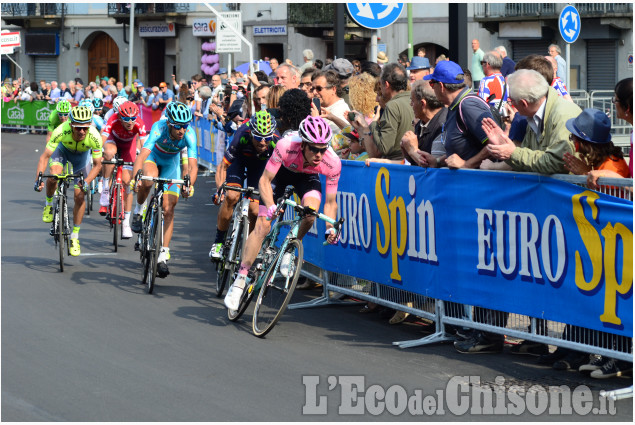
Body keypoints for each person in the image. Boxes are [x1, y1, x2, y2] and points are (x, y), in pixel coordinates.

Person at [224, 116, 341, 310]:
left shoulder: (333, 162)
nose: (319, 154)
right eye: (314, 148)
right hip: (281, 174)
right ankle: (240, 280)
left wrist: (330, 227)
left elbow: (330, 202)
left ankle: (289, 249)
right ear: (303, 144)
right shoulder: (286, 146)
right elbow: (264, 181)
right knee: (262, 225)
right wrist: (270, 205)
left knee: (311, 213)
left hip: (308, 178)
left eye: (323, 148)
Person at [130, 102, 198, 278]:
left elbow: (192, 166)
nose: (182, 130)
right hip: (153, 157)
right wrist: (135, 176)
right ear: (169, 123)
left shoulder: (190, 134)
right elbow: (143, 155)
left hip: (171, 164)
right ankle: (139, 211)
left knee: (169, 209)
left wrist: (189, 185)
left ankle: (163, 254)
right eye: (177, 126)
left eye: (184, 126)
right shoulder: (159, 127)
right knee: (148, 180)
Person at [209, 110, 280, 260]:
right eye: (258, 137)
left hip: (260, 166)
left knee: (255, 210)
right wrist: (219, 189)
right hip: (240, 161)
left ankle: (249, 244)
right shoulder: (242, 134)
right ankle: (219, 242)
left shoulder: (275, 141)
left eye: (266, 138)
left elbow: (279, 174)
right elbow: (223, 167)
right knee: (231, 196)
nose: (262, 142)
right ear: (252, 133)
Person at [483, 69, 581, 174]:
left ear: (523, 103)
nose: (509, 105)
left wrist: (512, 153)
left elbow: (558, 163)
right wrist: (504, 147)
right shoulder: (534, 115)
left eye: (511, 101)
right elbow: (526, 161)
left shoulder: (563, 115)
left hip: (573, 189)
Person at [34, 106, 103, 256]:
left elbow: (98, 165)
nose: (82, 132)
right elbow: (44, 157)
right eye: (78, 128)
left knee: (80, 196)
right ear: (71, 124)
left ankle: (75, 237)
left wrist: (86, 181)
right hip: (62, 151)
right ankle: (48, 204)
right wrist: (38, 178)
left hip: (81, 159)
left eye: (85, 128)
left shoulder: (95, 136)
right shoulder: (61, 130)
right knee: (53, 176)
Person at [421, 60, 494, 170]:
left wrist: (466, 164)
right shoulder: (455, 105)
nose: (432, 88)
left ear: (441, 86)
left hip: (478, 183)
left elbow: (494, 144)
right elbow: (463, 150)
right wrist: (437, 161)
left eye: (432, 83)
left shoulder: (468, 106)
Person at [100, 101, 148, 238]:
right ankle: (105, 187)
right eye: (126, 119)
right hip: (112, 141)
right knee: (109, 154)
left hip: (129, 147)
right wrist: (97, 152)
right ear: (120, 117)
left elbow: (145, 146)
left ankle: (126, 222)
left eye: (133, 118)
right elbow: (103, 138)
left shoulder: (139, 123)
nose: (130, 122)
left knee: (129, 184)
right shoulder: (113, 118)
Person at [350, 63, 413, 161]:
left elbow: (384, 148)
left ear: (386, 85)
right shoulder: (412, 98)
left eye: (381, 86)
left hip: (396, 167)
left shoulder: (392, 106)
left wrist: (372, 125)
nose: (376, 99)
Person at [563, 108, 629, 178]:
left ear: (582, 142)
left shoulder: (611, 168)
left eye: (573, 136)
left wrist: (586, 174)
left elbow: (602, 188)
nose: (572, 140)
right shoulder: (602, 160)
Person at [401, 80, 448, 165]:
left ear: (422, 104)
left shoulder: (443, 125)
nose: (411, 104)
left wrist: (412, 151)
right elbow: (415, 162)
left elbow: (431, 166)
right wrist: (406, 148)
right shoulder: (421, 123)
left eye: (413, 101)